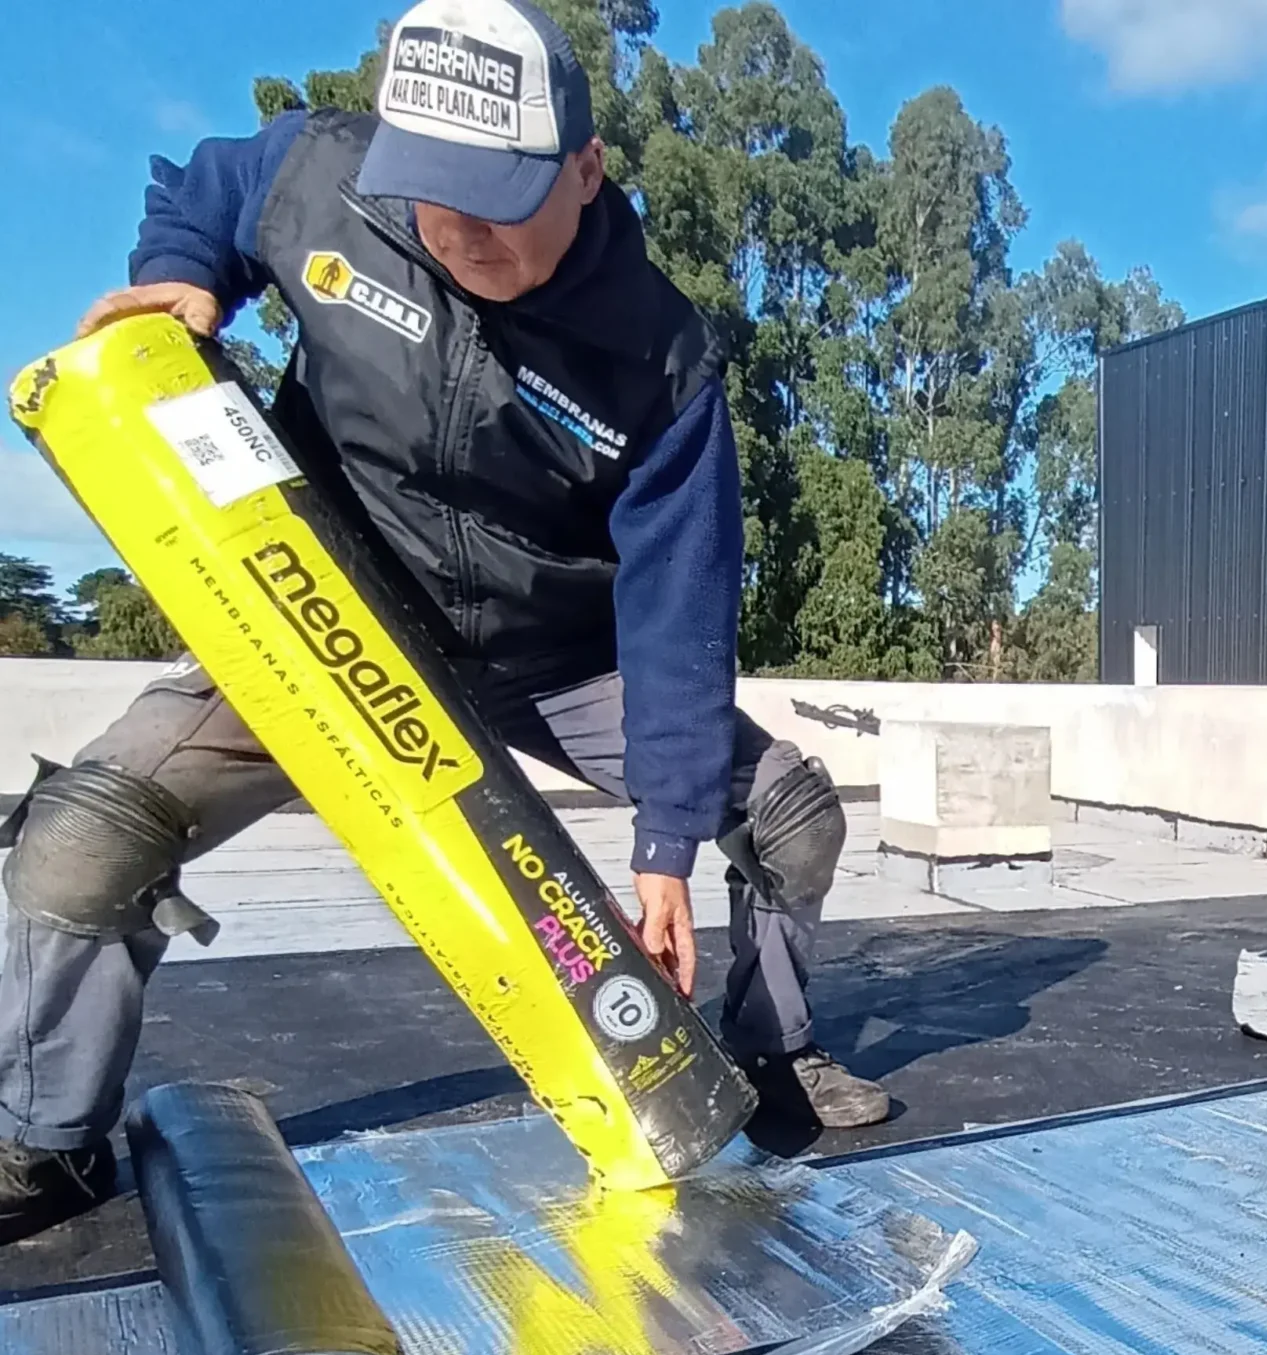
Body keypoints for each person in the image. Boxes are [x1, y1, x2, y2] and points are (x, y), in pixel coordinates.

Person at [0, 0, 888, 1243]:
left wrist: (666, 844)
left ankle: (768, 1049)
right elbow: (209, 190)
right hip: (325, 616)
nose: (458, 229)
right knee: (81, 840)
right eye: (432, 195)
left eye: (495, 200)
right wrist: (184, 276)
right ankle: (45, 1139)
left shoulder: (660, 358)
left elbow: (678, 613)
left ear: (586, 170)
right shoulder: (322, 175)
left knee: (791, 816)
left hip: (550, 660)